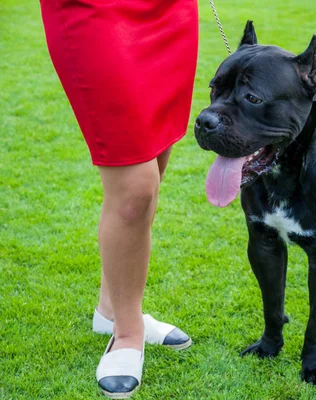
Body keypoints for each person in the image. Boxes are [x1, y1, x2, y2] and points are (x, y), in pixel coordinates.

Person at [40, 0, 199, 397]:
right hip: (94, 12)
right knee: (136, 186)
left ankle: (111, 311)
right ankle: (128, 334)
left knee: (157, 158)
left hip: (170, 12)